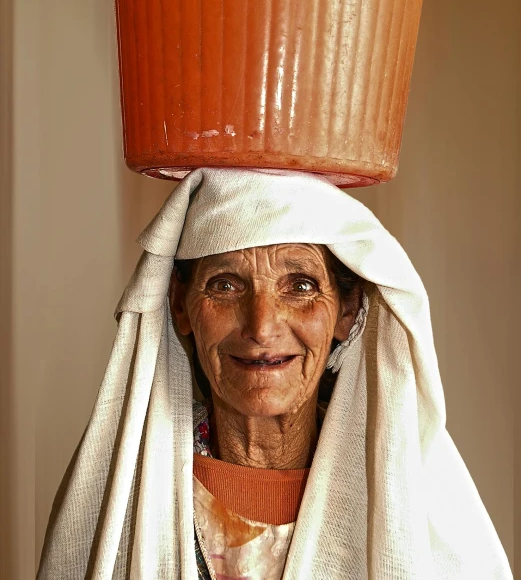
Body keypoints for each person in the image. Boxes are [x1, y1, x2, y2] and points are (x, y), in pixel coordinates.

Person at [37, 168, 512, 580]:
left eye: (300, 286)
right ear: (181, 307)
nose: (262, 326)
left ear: (347, 312)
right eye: (225, 285)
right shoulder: (124, 497)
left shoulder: (406, 497)